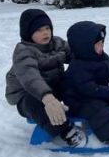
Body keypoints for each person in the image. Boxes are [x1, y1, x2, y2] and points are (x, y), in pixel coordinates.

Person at [6, 8, 86, 147]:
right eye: (38, 30)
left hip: (53, 85)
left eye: (47, 28)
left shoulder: (57, 43)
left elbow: (76, 57)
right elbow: (31, 78)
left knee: (76, 80)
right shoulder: (23, 52)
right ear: (28, 33)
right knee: (35, 103)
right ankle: (65, 131)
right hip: (28, 95)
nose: (45, 32)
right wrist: (47, 98)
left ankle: (92, 107)